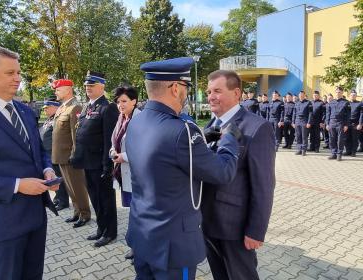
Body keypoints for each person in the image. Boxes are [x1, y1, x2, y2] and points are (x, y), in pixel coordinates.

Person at [125, 57, 240, 280]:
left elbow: (162, 158)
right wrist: (229, 140)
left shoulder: (136, 122)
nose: (186, 94)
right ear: (176, 88)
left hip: (142, 235)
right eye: (186, 87)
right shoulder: (183, 131)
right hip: (173, 247)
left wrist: (200, 141)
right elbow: (222, 172)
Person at [202, 70, 275, 280]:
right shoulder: (211, 125)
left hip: (235, 227)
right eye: (208, 91)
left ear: (236, 93)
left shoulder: (256, 127)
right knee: (220, 275)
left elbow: (264, 185)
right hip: (208, 221)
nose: (210, 96)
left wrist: (256, 230)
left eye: (217, 91)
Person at [0, 46, 58, 279]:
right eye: (10, 73)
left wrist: (48, 169)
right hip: (3, 226)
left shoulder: (24, 110)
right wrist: (17, 185)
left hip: (35, 217)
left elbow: (38, 150)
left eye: (19, 72)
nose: (18, 78)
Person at [72, 71, 119, 247]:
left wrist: (107, 166)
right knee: (95, 198)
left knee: (106, 200)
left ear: (102, 86)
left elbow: (109, 139)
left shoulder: (108, 107)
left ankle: (110, 233)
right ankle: (101, 228)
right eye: (86, 86)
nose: (87, 88)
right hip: (87, 162)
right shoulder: (87, 106)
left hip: (100, 164)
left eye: (91, 85)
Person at [52, 79, 91, 228]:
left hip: (70, 156)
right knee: (69, 187)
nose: (55, 92)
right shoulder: (62, 107)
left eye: (58, 89)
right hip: (61, 156)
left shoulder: (75, 107)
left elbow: (76, 135)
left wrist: (75, 155)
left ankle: (85, 214)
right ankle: (77, 212)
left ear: (68, 90)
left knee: (77, 187)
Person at [109, 86, 140, 260]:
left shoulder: (140, 118)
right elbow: (115, 141)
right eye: (118, 102)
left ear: (134, 101)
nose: (120, 105)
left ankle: (139, 248)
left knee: (138, 213)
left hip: (137, 175)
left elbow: (146, 147)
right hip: (123, 173)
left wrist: (124, 157)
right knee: (133, 212)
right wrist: (113, 152)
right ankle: (136, 246)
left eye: (124, 101)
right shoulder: (121, 118)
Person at [39, 98, 69, 211]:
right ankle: (57, 198)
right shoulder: (49, 119)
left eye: (47, 108)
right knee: (53, 178)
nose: (45, 110)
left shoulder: (58, 120)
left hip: (55, 153)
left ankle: (63, 201)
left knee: (58, 178)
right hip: (48, 154)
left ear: (55, 107)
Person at [326, 86, 350, 161]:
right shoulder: (331, 102)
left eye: (339, 92)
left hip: (341, 122)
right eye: (336, 92)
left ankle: (339, 154)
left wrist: (346, 125)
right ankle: (333, 153)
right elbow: (328, 114)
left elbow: (348, 115)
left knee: (340, 140)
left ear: (342, 93)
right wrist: (327, 124)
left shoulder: (346, 102)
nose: (338, 93)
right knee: (332, 139)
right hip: (332, 122)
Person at [292, 90, 312, 156]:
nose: (301, 96)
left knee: (304, 136)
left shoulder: (308, 103)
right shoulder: (296, 103)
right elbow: (294, 113)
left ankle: (304, 150)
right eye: (300, 95)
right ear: (298, 96)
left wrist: (309, 122)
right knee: (298, 136)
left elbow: (310, 113)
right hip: (297, 121)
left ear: (304, 95)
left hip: (304, 121)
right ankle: (299, 149)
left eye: (302, 95)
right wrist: (293, 122)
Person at [344, 90, 363, 157]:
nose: (353, 96)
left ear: (356, 96)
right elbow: (344, 114)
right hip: (347, 123)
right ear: (349, 96)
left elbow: (361, 114)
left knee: (354, 139)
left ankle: (353, 152)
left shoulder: (360, 103)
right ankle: (348, 151)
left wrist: (360, 124)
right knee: (346, 138)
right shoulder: (346, 103)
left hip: (356, 124)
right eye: (352, 95)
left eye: (354, 95)